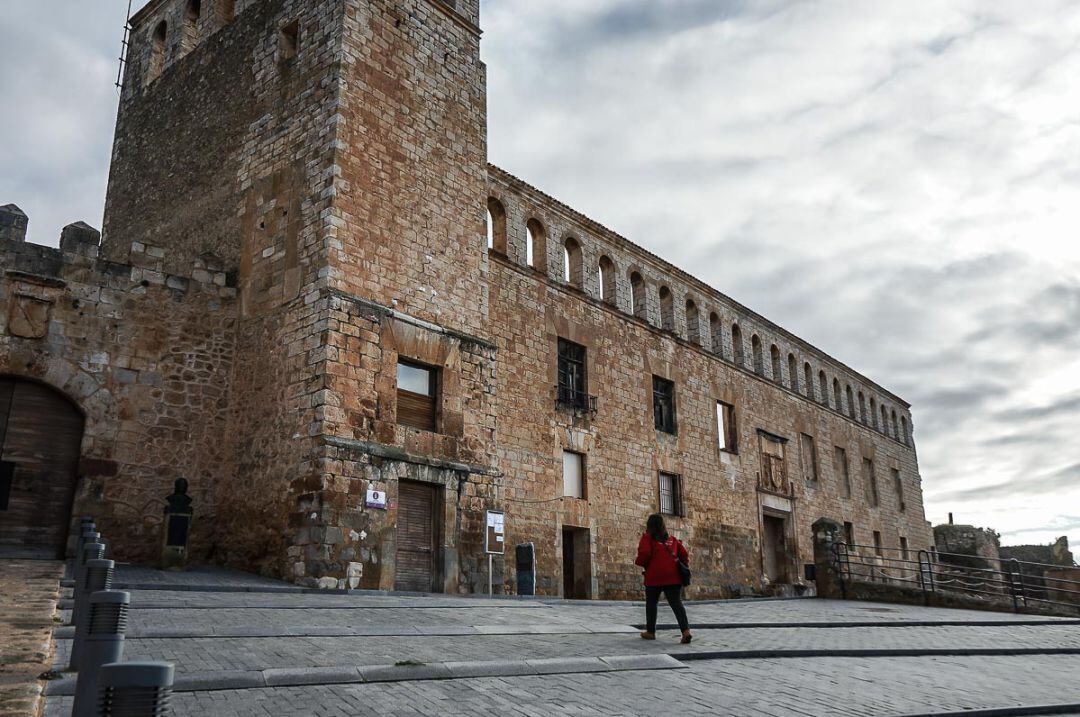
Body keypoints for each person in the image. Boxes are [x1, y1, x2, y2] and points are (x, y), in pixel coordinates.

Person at [634, 513, 692, 643]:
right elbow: (684, 555)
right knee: (677, 604)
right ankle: (686, 631)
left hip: (654, 577)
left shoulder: (647, 538)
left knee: (651, 604)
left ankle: (651, 632)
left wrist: (640, 562)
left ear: (649, 525)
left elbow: (644, 554)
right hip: (673, 577)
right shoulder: (673, 540)